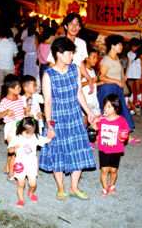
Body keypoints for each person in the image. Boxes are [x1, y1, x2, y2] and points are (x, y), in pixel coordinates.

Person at [39, 37, 98, 201]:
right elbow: (48, 103)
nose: (71, 56)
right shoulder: (48, 75)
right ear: (58, 54)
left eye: (72, 53)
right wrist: (50, 126)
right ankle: (61, 186)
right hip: (57, 117)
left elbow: (79, 93)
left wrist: (89, 112)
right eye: (68, 53)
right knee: (58, 152)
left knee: (78, 150)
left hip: (74, 115)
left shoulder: (76, 69)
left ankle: (74, 186)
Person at [97, 35, 138, 143]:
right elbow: (101, 77)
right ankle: (101, 136)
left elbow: (115, 72)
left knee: (120, 112)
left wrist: (122, 77)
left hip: (116, 88)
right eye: (119, 44)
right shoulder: (107, 60)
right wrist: (116, 81)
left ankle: (124, 136)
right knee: (108, 112)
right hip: (108, 89)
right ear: (112, 46)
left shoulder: (116, 58)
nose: (121, 47)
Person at [8, 117, 52, 207]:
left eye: (31, 133)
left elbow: (47, 140)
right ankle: (21, 199)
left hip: (31, 162)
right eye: (27, 133)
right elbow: (9, 150)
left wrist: (51, 134)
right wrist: (14, 148)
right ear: (21, 129)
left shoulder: (35, 137)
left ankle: (31, 192)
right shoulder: (17, 138)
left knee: (33, 183)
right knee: (21, 183)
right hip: (20, 164)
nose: (29, 135)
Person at [92, 94, 129, 196]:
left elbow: (126, 132)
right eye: (105, 106)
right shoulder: (102, 118)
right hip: (103, 149)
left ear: (116, 107)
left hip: (116, 149)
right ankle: (105, 188)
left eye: (109, 106)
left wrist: (124, 137)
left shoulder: (121, 120)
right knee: (104, 170)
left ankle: (112, 185)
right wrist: (95, 122)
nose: (106, 109)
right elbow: (94, 128)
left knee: (113, 170)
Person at [47, 13, 94, 94]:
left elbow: (81, 63)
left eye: (77, 24)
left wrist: (89, 79)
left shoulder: (82, 43)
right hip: (61, 81)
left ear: (80, 27)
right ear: (66, 26)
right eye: (71, 24)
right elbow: (51, 64)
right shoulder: (58, 43)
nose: (74, 27)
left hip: (76, 82)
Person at [0, 74, 25, 184]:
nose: (20, 89)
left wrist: (25, 110)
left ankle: (7, 168)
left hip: (20, 127)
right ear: (10, 89)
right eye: (18, 87)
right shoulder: (5, 101)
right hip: (10, 128)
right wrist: (6, 112)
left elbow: (20, 110)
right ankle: (11, 175)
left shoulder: (20, 99)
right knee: (15, 151)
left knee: (14, 150)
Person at [81, 47, 102, 146]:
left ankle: (94, 138)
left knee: (97, 120)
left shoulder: (92, 70)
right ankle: (85, 141)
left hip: (93, 98)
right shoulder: (83, 71)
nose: (95, 60)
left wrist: (99, 83)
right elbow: (78, 85)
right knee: (85, 122)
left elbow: (92, 85)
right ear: (86, 58)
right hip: (85, 99)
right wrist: (89, 81)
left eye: (96, 57)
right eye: (93, 57)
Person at [0, 27, 18, 100]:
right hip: (10, 65)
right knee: (10, 82)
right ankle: (10, 96)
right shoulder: (12, 43)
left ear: (0, 35)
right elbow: (15, 55)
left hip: (0, 65)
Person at [125, 38, 142, 108]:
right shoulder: (129, 54)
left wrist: (141, 76)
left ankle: (138, 106)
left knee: (138, 90)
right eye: (132, 47)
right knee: (130, 91)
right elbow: (128, 64)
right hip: (130, 74)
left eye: (135, 46)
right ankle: (131, 106)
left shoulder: (141, 54)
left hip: (137, 75)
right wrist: (125, 74)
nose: (134, 48)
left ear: (138, 46)